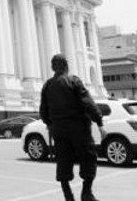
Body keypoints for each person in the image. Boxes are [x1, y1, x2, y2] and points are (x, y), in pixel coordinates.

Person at [40, 54, 106, 201]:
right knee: (88, 157)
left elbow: (43, 112)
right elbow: (87, 102)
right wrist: (99, 122)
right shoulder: (73, 81)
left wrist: (51, 124)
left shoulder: (47, 86)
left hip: (58, 130)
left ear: (52, 67)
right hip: (79, 128)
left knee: (63, 161)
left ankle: (68, 197)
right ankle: (86, 193)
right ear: (66, 66)